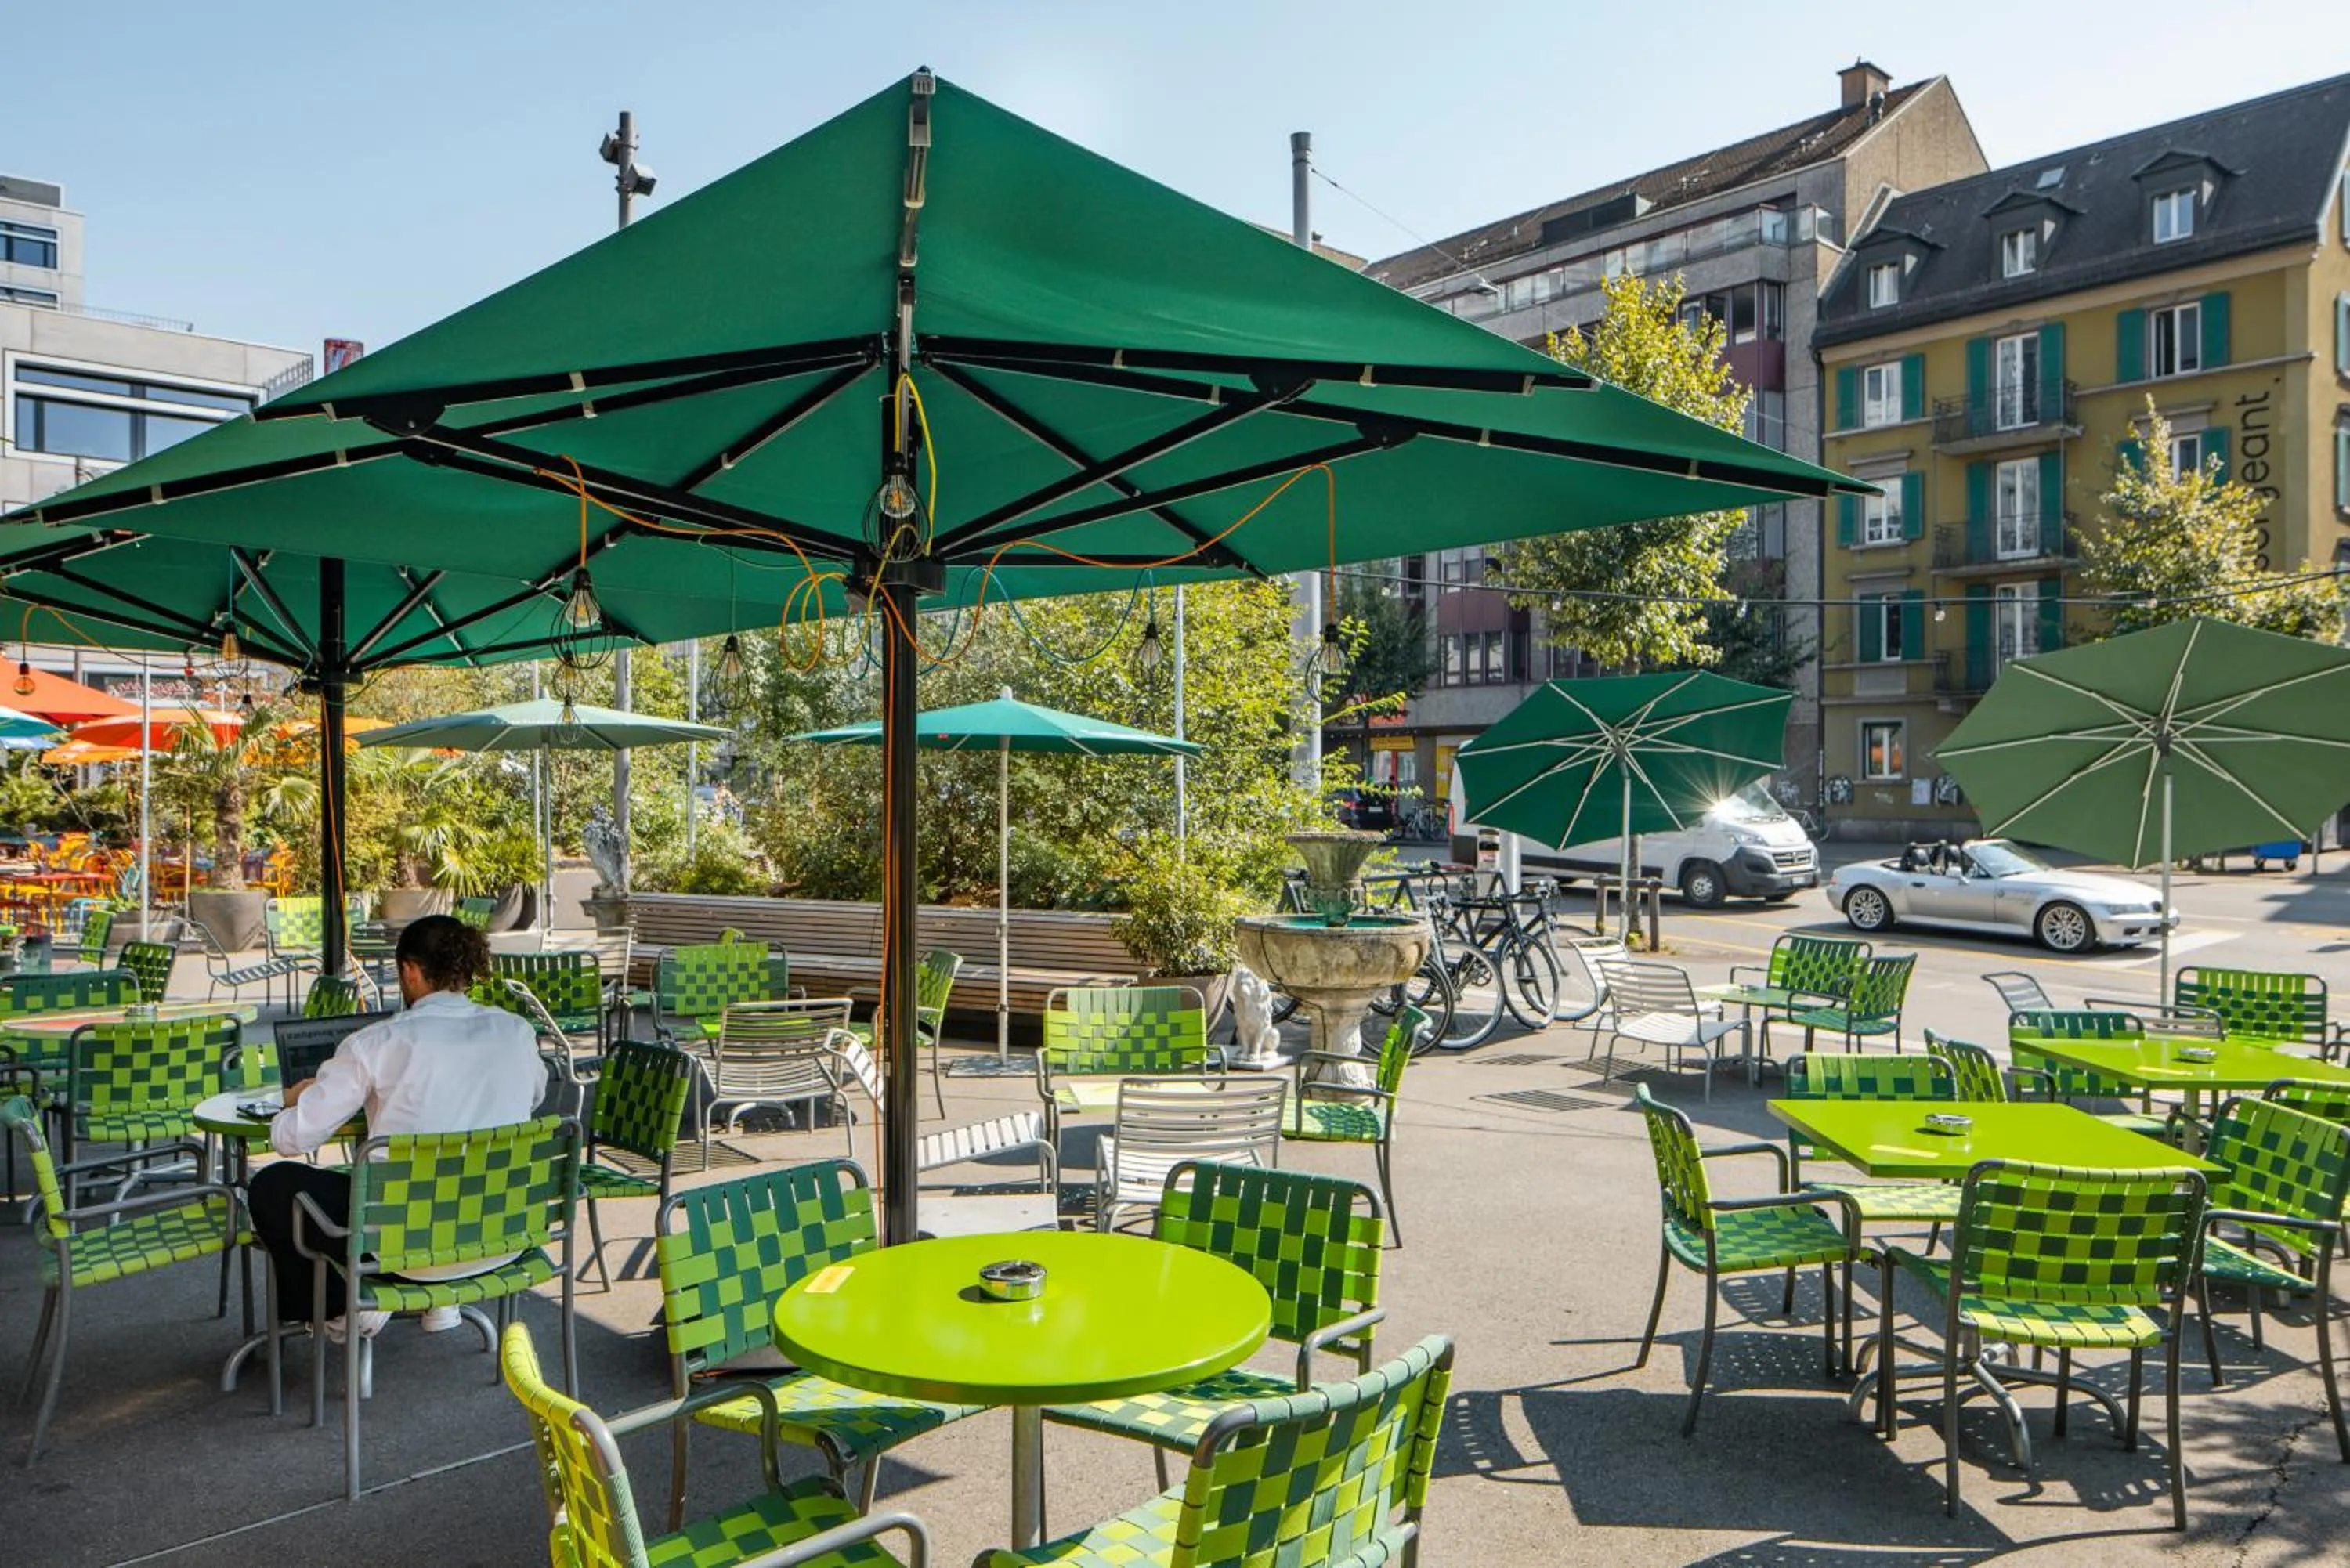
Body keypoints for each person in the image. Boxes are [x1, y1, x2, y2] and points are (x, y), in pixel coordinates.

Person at [246, 915, 545, 1340]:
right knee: (439, 1170)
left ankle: (342, 1308)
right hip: (502, 1234)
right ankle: (441, 1300)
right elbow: (533, 1098)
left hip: (405, 1247)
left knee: (273, 1186)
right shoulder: (515, 1031)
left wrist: (297, 1099)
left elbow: (294, 1138)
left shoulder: (377, 1042)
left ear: (409, 970)